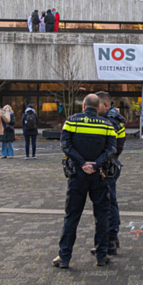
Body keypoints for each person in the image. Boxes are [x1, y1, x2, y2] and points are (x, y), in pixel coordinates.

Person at [54, 92, 117, 269]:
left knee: (72, 216)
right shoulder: (106, 124)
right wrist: (96, 164)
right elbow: (111, 149)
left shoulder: (72, 121)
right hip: (100, 175)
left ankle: (64, 257)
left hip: (77, 175)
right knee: (102, 215)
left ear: (83, 106)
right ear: (98, 107)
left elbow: (65, 145)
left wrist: (82, 163)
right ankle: (102, 255)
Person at [100, 102, 128, 257]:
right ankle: (112, 237)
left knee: (108, 203)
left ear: (105, 105)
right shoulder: (118, 121)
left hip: (106, 167)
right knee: (111, 201)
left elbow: (111, 147)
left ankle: (110, 239)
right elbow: (119, 147)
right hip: (113, 164)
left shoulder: (108, 123)